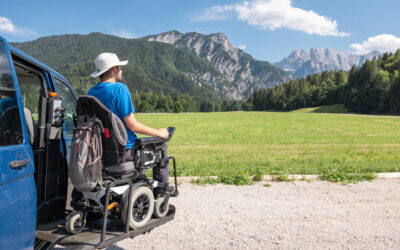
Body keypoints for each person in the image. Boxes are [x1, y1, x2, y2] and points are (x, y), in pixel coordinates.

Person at [88, 52, 170, 185]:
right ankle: (162, 188)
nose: (121, 70)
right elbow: (133, 126)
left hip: (102, 151)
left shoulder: (91, 93)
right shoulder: (120, 89)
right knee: (161, 146)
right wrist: (159, 133)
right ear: (114, 69)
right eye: (120, 67)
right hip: (124, 151)